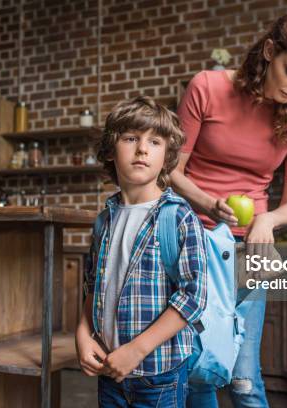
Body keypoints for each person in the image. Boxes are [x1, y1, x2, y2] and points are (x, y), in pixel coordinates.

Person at [171, 1, 287, 406]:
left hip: (249, 248)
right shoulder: (207, 87)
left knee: (244, 378)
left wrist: (266, 219)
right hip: (191, 240)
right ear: (269, 52)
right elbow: (170, 172)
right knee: (199, 371)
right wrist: (209, 204)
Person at [75, 95, 208, 407]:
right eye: (131, 138)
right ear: (110, 149)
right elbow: (93, 285)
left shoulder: (178, 216)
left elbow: (194, 297)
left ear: (168, 155)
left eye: (155, 141)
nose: (142, 149)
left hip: (158, 375)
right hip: (110, 370)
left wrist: (136, 350)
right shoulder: (105, 219)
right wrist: (83, 333)